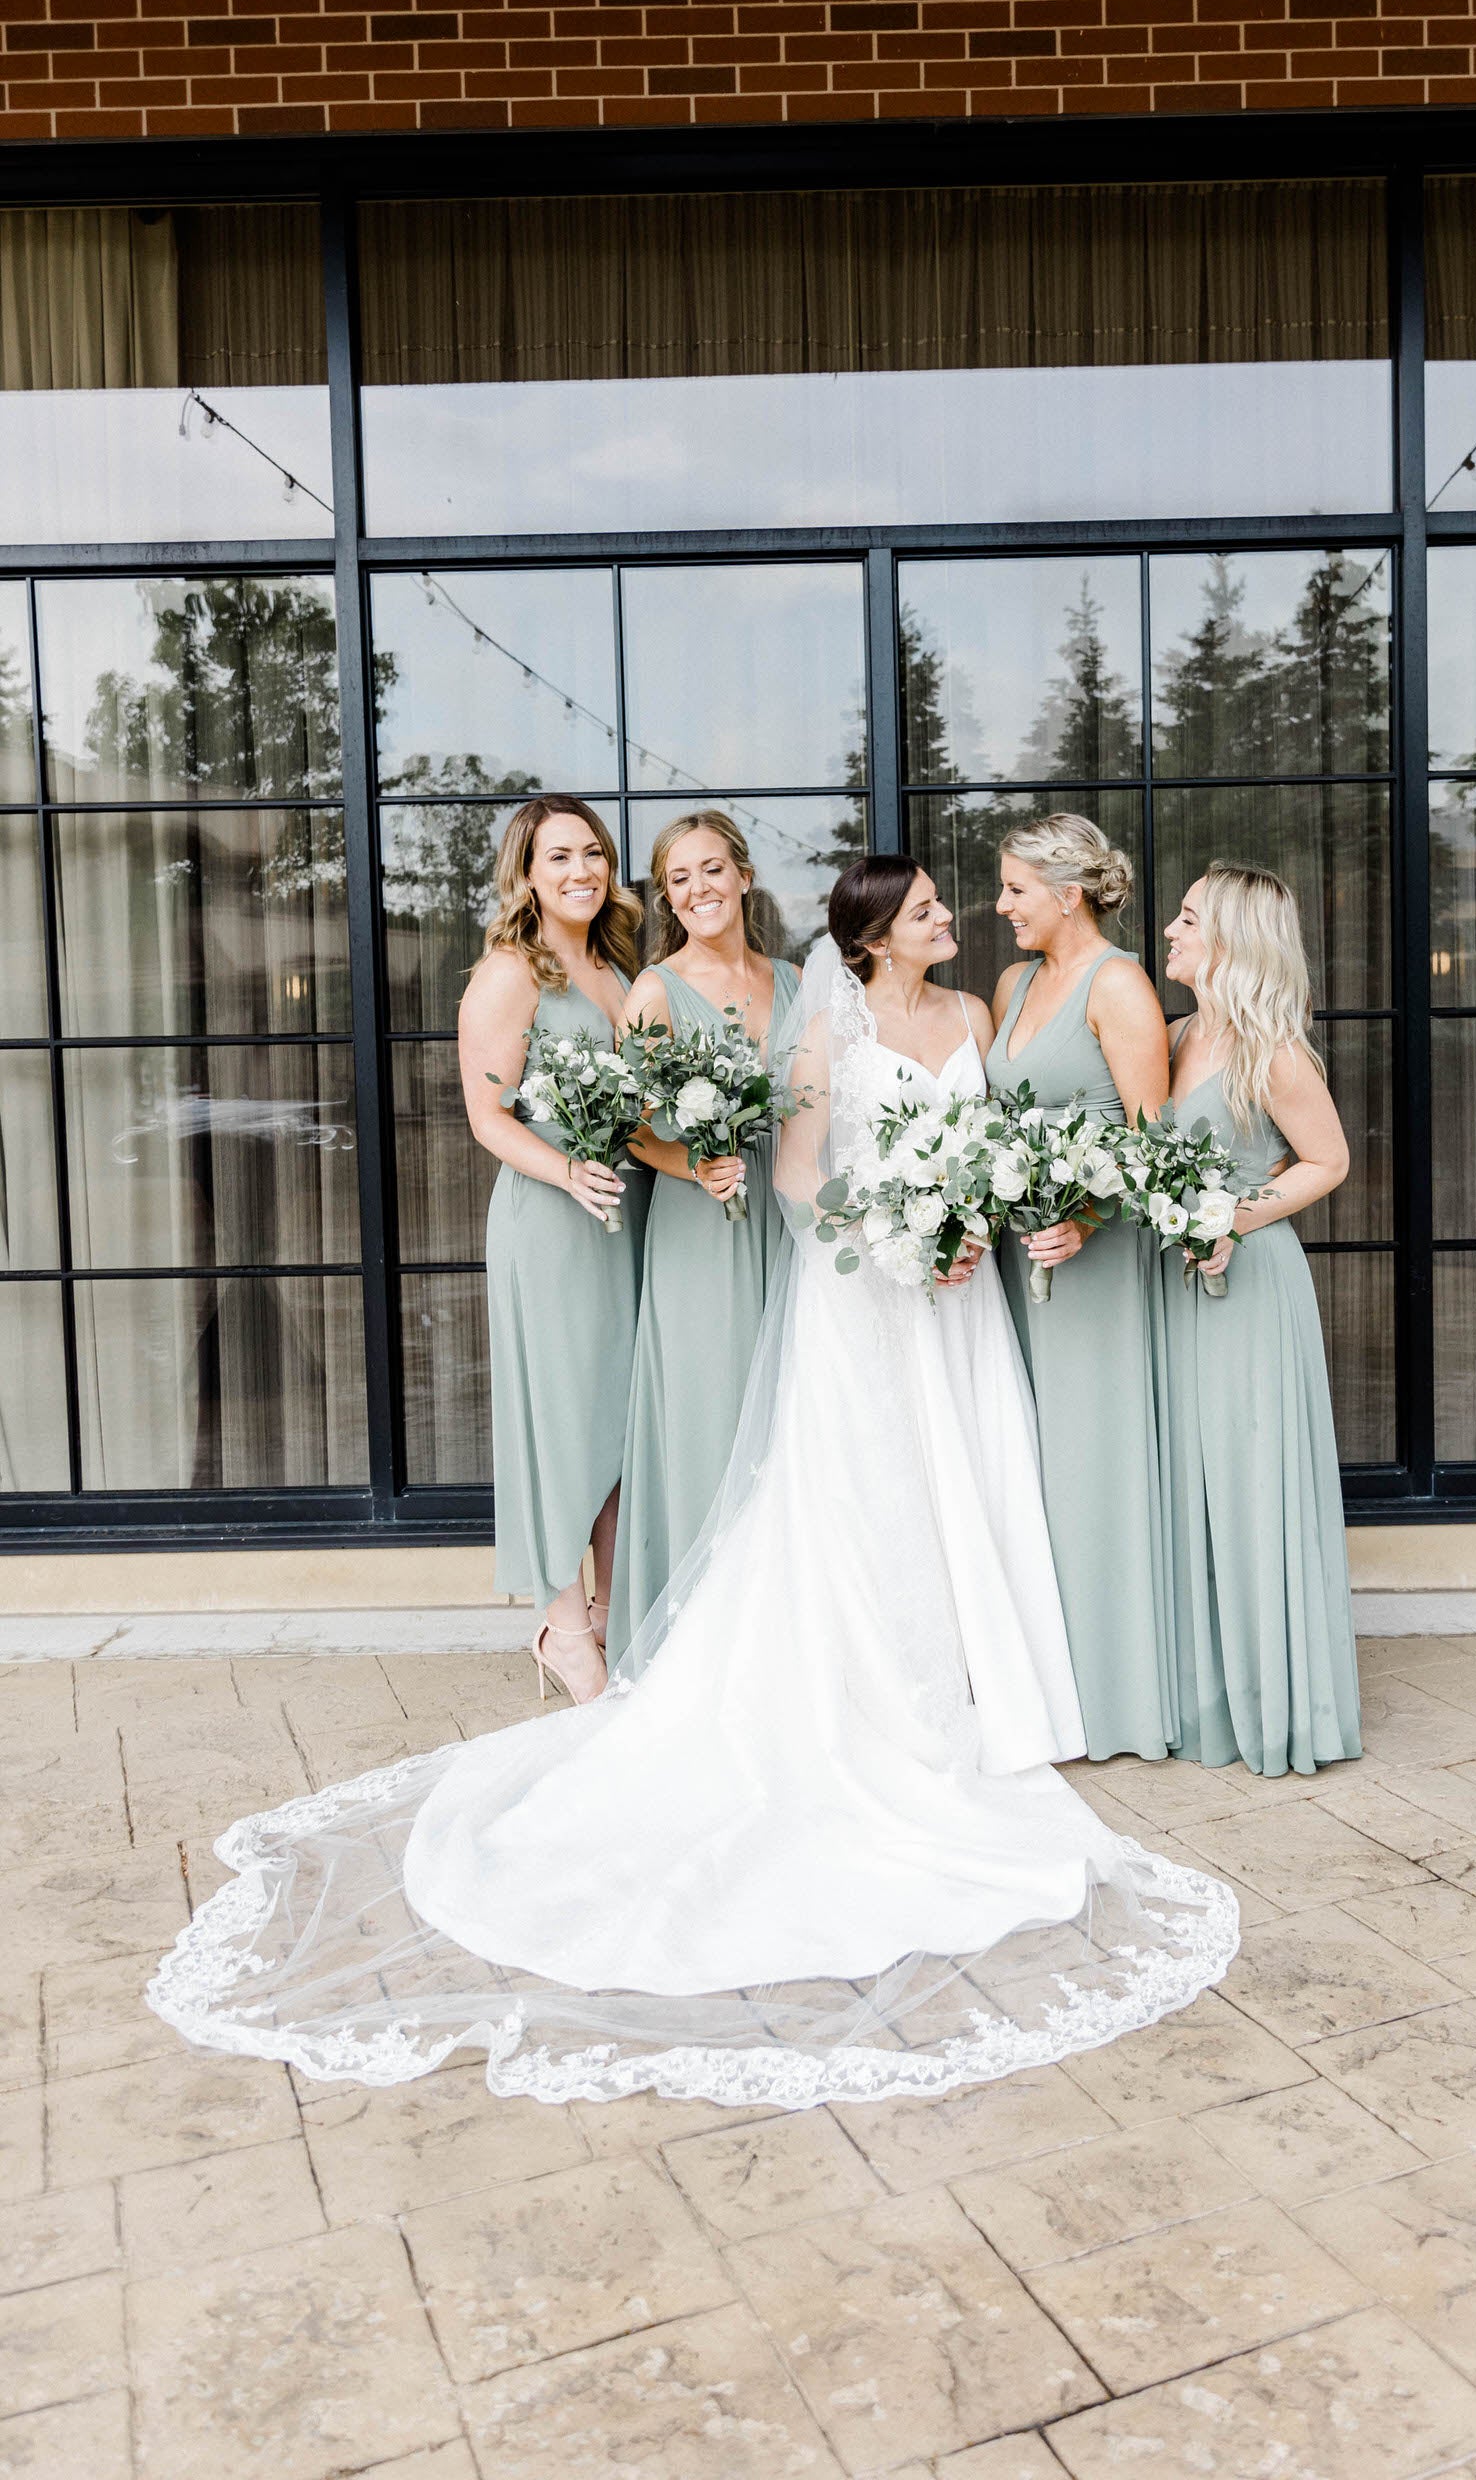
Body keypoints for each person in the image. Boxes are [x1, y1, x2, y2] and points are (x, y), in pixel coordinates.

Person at [147, 855, 1237, 2113]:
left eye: (954, 900)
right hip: (871, 1281)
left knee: (962, 1471)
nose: (953, 918)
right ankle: (858, 1688)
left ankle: (997, 1686)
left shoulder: (978, 1015)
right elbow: (796, 1170)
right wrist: (900, 1233)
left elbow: (982, 1135)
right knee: (859, 1488)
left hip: (959, 1292)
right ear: (881, 935)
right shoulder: (825, 1026)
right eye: (933, 906)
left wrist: (967, 1223)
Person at [1156, 862, 1361, 1777]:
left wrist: (1230, 1218)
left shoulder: (1271, 1049)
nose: (1170, 927)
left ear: (1231, 941)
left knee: (1248, 1480)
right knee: (1193, 1487)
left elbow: (1328, 1161)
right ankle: (1207, 1697)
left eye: (1190, 918)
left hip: (1249, 1288)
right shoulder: (1170, 1036)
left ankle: (1279, 1706)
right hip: (1173, 1286)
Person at [985, 814, 1178, 1761]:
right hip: (1017, 1270)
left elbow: (1151, 1144)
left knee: (1090, 1468)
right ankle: (1036, 1690)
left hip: (1092, 1266)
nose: (1000, 905)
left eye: (1015, 889)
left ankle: (1112, 1696)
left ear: (1067, 895)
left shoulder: (1122, 986)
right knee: (1025, 1466)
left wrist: (1087, 1217)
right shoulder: (1014, 981)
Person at [457, 795, 646, 1706]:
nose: (582, 871)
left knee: (619, 1420)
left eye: (594, 854)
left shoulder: (614, 967)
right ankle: (563, 1625)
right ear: (527, 875)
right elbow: (486, 1116)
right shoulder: (511, 972)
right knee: (562, 1415)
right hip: (553, 1220)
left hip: (625, 1216)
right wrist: (568, 1174)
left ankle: (616, 1610)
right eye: (559, 856)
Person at [608, 812, 802, 1664]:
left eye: (712, 870)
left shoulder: (797, 983)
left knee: (797, 1420)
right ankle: (702, 1647)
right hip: (705, 1231)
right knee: (712, 1418)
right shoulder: (654, 990)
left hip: (792, 1227)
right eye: (678, 879)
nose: (698, 891)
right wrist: (694, 1166)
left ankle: (789, 1635)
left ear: (745, 876)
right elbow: (630, 1125)